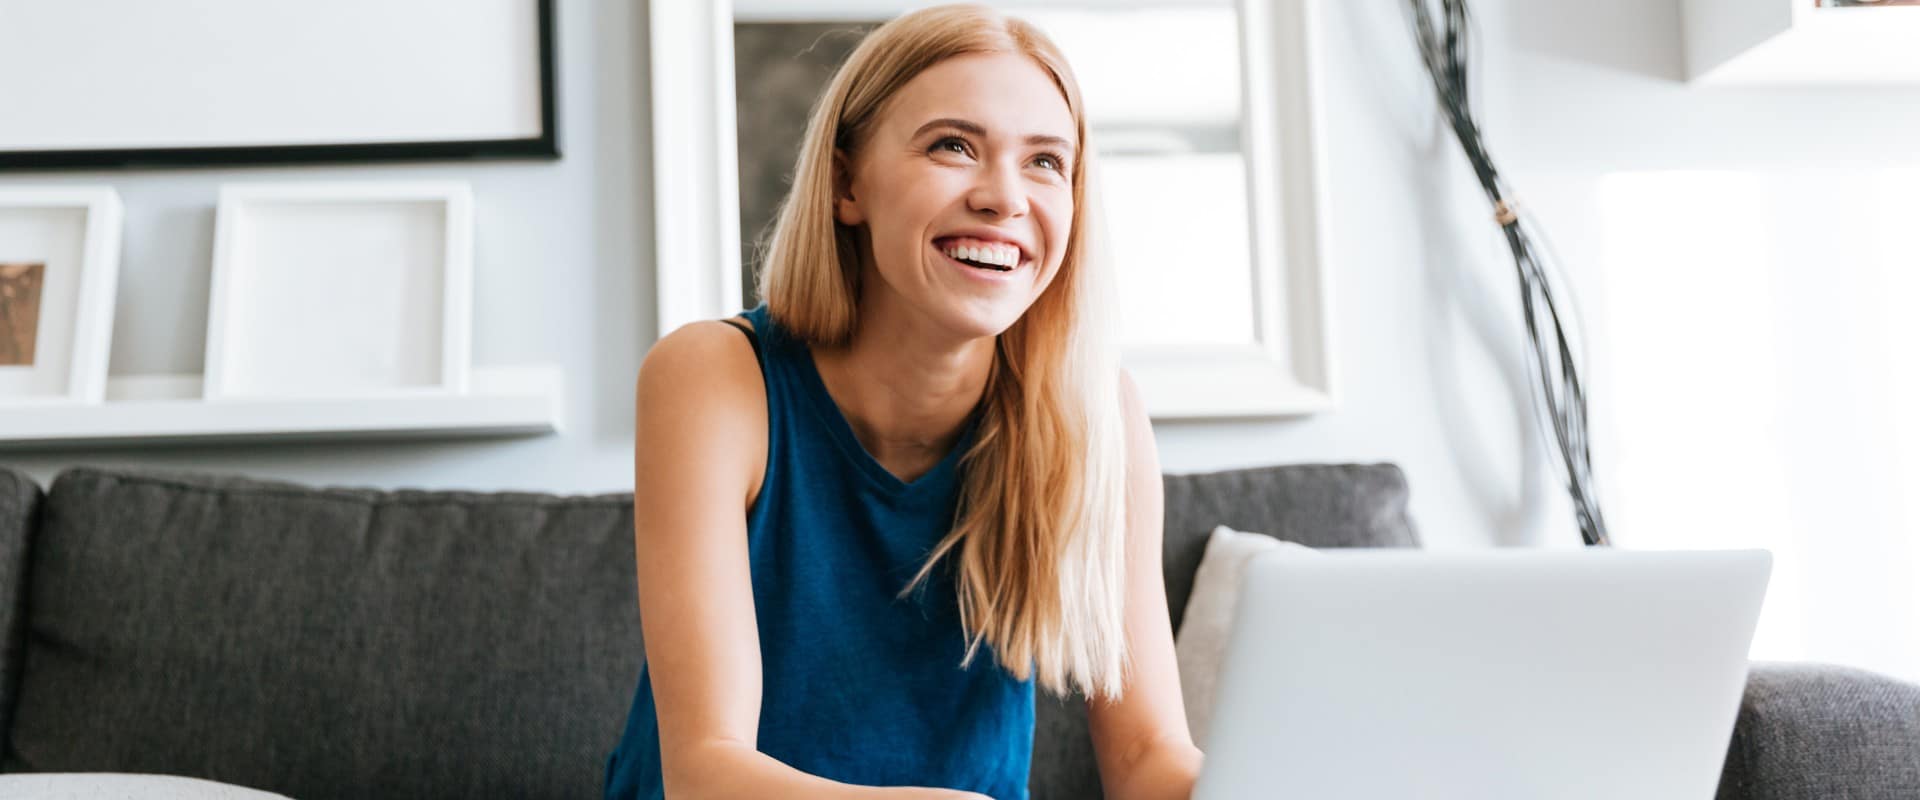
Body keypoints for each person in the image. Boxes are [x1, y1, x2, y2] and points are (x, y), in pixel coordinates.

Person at [603, 4, 1203, 798]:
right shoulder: (716, 379)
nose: (1004, 197)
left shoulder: (1096, 415)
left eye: (1046, 162)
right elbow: (704, 770)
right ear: (848, 182)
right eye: (954, 146)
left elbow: (1145, 757)